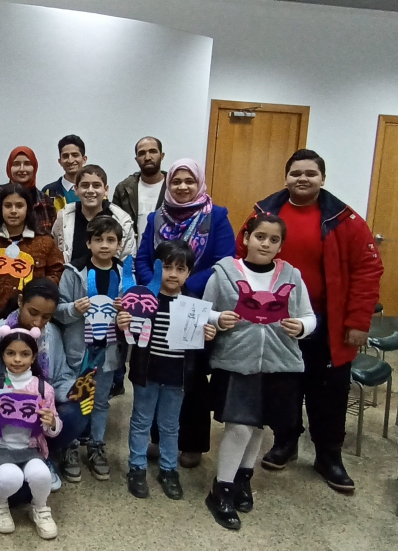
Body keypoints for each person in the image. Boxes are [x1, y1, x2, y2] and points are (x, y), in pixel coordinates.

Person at [238, 149, 383, 493]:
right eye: (296, 173)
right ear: (286, 177)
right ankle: (285, 441)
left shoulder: (345, 220)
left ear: (322, 178)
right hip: (275, 321)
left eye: (310, 173)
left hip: (328, 323)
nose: (302, 178)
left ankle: (328, 456)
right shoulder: (264, 212)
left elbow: (368, 270)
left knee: (328, 392)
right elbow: (240, 258)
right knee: (282, 387)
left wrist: (358, 321)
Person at [203, 214, 316, 530]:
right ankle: (221, 488)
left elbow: (308, 315)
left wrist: (302, 326)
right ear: (247, 238)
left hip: (278, 363)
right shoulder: (225, 273)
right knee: (239, 427)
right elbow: (204, 311)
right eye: (260, 237)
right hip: (237, 361)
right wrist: (217, 319)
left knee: (258, 426)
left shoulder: (291, 275)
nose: (266, 244)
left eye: (274, 240)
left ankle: (243, 478)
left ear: (281, 245)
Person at [135, 158, 235, 468]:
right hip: (159, 302)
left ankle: (192, 443)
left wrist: (185, 286)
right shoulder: (156, 218)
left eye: (189, 181)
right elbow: (143, 259)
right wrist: (156, 285)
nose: (182, 186)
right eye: (176, 181)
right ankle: (157, 439)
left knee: (190, 377)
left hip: (196, 305)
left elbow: (224, 261)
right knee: (158, 369)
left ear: (199, 183)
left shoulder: (216, 216)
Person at [0, 278, 83, 488]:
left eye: (46, 316)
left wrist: (73, 391)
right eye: (33, 312)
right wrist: (12, 396)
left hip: (37, 419)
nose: (38, 322)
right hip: (2, 423)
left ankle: (41, 454)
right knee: (17, 488)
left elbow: (60, 378)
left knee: (76, 412)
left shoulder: (51, 333)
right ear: (20, 302)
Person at [119, 241, 216, 500]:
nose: (173, 274)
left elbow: (200, 349)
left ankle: (169, 469)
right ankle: (137, 467)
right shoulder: (145, 299)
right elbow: (131, 335)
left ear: (189, 272)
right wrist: (124, 322)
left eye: (180, 269)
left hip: (178, 377)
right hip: (146, 373)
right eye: (167, 267)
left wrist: (208, 336)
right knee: (141, 421)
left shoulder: (193, 305)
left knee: (171, 425)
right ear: (156, 268)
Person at [0, 325, 60, 539]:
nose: (17, 359)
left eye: (25, 354)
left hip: (30, 450)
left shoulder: (44, 389)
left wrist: (51, 422)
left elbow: (53, 430)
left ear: (34, 357)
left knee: (42, 474)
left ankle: (40, 507)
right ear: (2, 356)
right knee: (11, 477)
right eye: (10, 353)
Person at [54, 216, 124, 482]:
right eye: (98, 239)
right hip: (79, 349)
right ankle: (71, 445)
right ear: (88, 243)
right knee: (75, 397)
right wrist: (74, 308)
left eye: (110, 240)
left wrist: (126, 312)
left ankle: (96, 445)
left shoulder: (124, 274)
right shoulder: (74, 271)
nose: (104, 245)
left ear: (119, 244)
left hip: (107, 349)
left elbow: (135, 312)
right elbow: (58, 310)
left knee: (101, 400)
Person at [0, 184, 64, 319]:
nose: (13, 211)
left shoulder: (45, 242)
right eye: (8, 206)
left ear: (28, 209)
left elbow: (57, 271)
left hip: (33, 317)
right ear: (0, 208)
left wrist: (39, 289)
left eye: (19, 206)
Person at [52, 164, 135, 263]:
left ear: (106, 190)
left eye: (96, 185)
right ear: (76, 189)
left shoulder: (122, 221)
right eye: (85, 185)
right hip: (71, 273)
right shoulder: (63, 218)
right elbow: (55, 257)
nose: (90, 191)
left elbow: (128, 262)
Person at [112, 136, 167, 245]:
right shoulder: (123, 189)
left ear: (162, 156)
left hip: (165, 252)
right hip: (130, 252)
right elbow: (114, 226)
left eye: (153, 151)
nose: (147, 157)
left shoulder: (173, 188)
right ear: (136, 159)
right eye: (141, 153)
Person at [0, 146, 56, 234]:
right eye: (16, 164)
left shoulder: (46, 201)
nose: (22, 169)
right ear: (9, 167)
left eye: (27, 164)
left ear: (34, 167)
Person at [41, 134, 86, 212]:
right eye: (65, 156)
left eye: (75, 155)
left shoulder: (94, 190)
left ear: (84, 159)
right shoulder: (48, 192)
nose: (70, 160)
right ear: (60, 161)